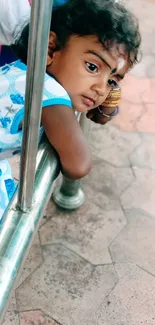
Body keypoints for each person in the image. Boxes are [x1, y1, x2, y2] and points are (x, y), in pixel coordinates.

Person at [0, 0, 141, 220]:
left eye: (112, 81)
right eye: (92, 67)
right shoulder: (47, 92)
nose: (101, 88)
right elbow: (78, 165)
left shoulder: (23, 67)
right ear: (50, 48)